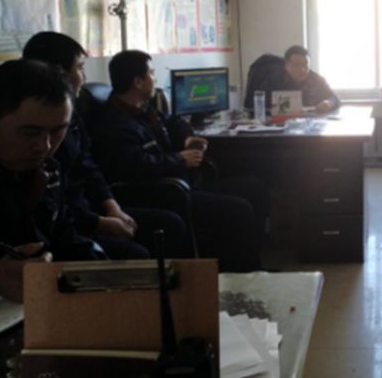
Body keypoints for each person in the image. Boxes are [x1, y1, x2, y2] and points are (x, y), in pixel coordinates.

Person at [92, 50, 264, 272]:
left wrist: (187, 139)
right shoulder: (115, 124)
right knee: (239, 209)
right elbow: (137, 166)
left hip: (184, 183)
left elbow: (174, 122)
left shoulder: (143, 109)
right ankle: (240, 275)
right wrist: (179, 160)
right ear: (138, 82)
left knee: (255, 187)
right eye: (152, 73)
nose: (155, 79)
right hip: (165, 194)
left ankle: (255, 263)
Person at [23, 32, 188, 260]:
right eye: (80, 68)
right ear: (57, 73)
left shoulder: (74, 116)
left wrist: (113, 208)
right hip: (72, 221)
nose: (84, 77)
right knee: (138, 253)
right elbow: (56, 204)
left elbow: (89, 168)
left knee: (171, 224)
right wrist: (98, 223)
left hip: (89, 208)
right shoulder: (40, 138)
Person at [0, 59, 105, 302]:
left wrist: (101, 271)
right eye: (30, 132)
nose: (45, 146)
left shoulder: (47, 170)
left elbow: (62, 233)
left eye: (57, 131)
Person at [249, 45, 340, 115]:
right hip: (282, 124)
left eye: (306, 65)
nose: (303, 69)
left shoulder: (316, 79)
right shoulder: (273, 80)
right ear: (286, 66)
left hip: (310, 123)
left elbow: (334, 98)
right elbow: (258, 105)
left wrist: (329, 103)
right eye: (297, 65)